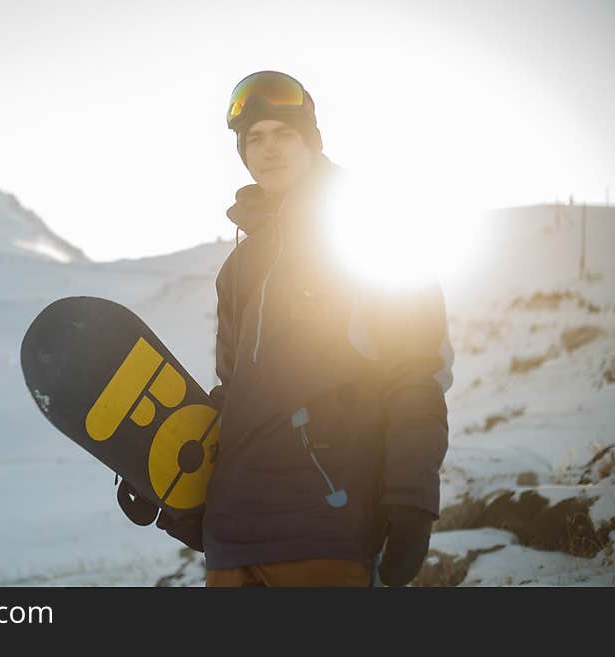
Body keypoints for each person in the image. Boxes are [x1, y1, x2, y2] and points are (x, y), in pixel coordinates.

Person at [118, 70, 453, 587]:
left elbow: (417, 374)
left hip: (329, 524)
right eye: (254, 138)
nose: (268, 149)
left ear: (312, 142)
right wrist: (164, 477)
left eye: (283, 134)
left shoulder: (372, 230)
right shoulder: (239, 268)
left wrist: (411, 501)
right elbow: (236, 398)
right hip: (234, 537)